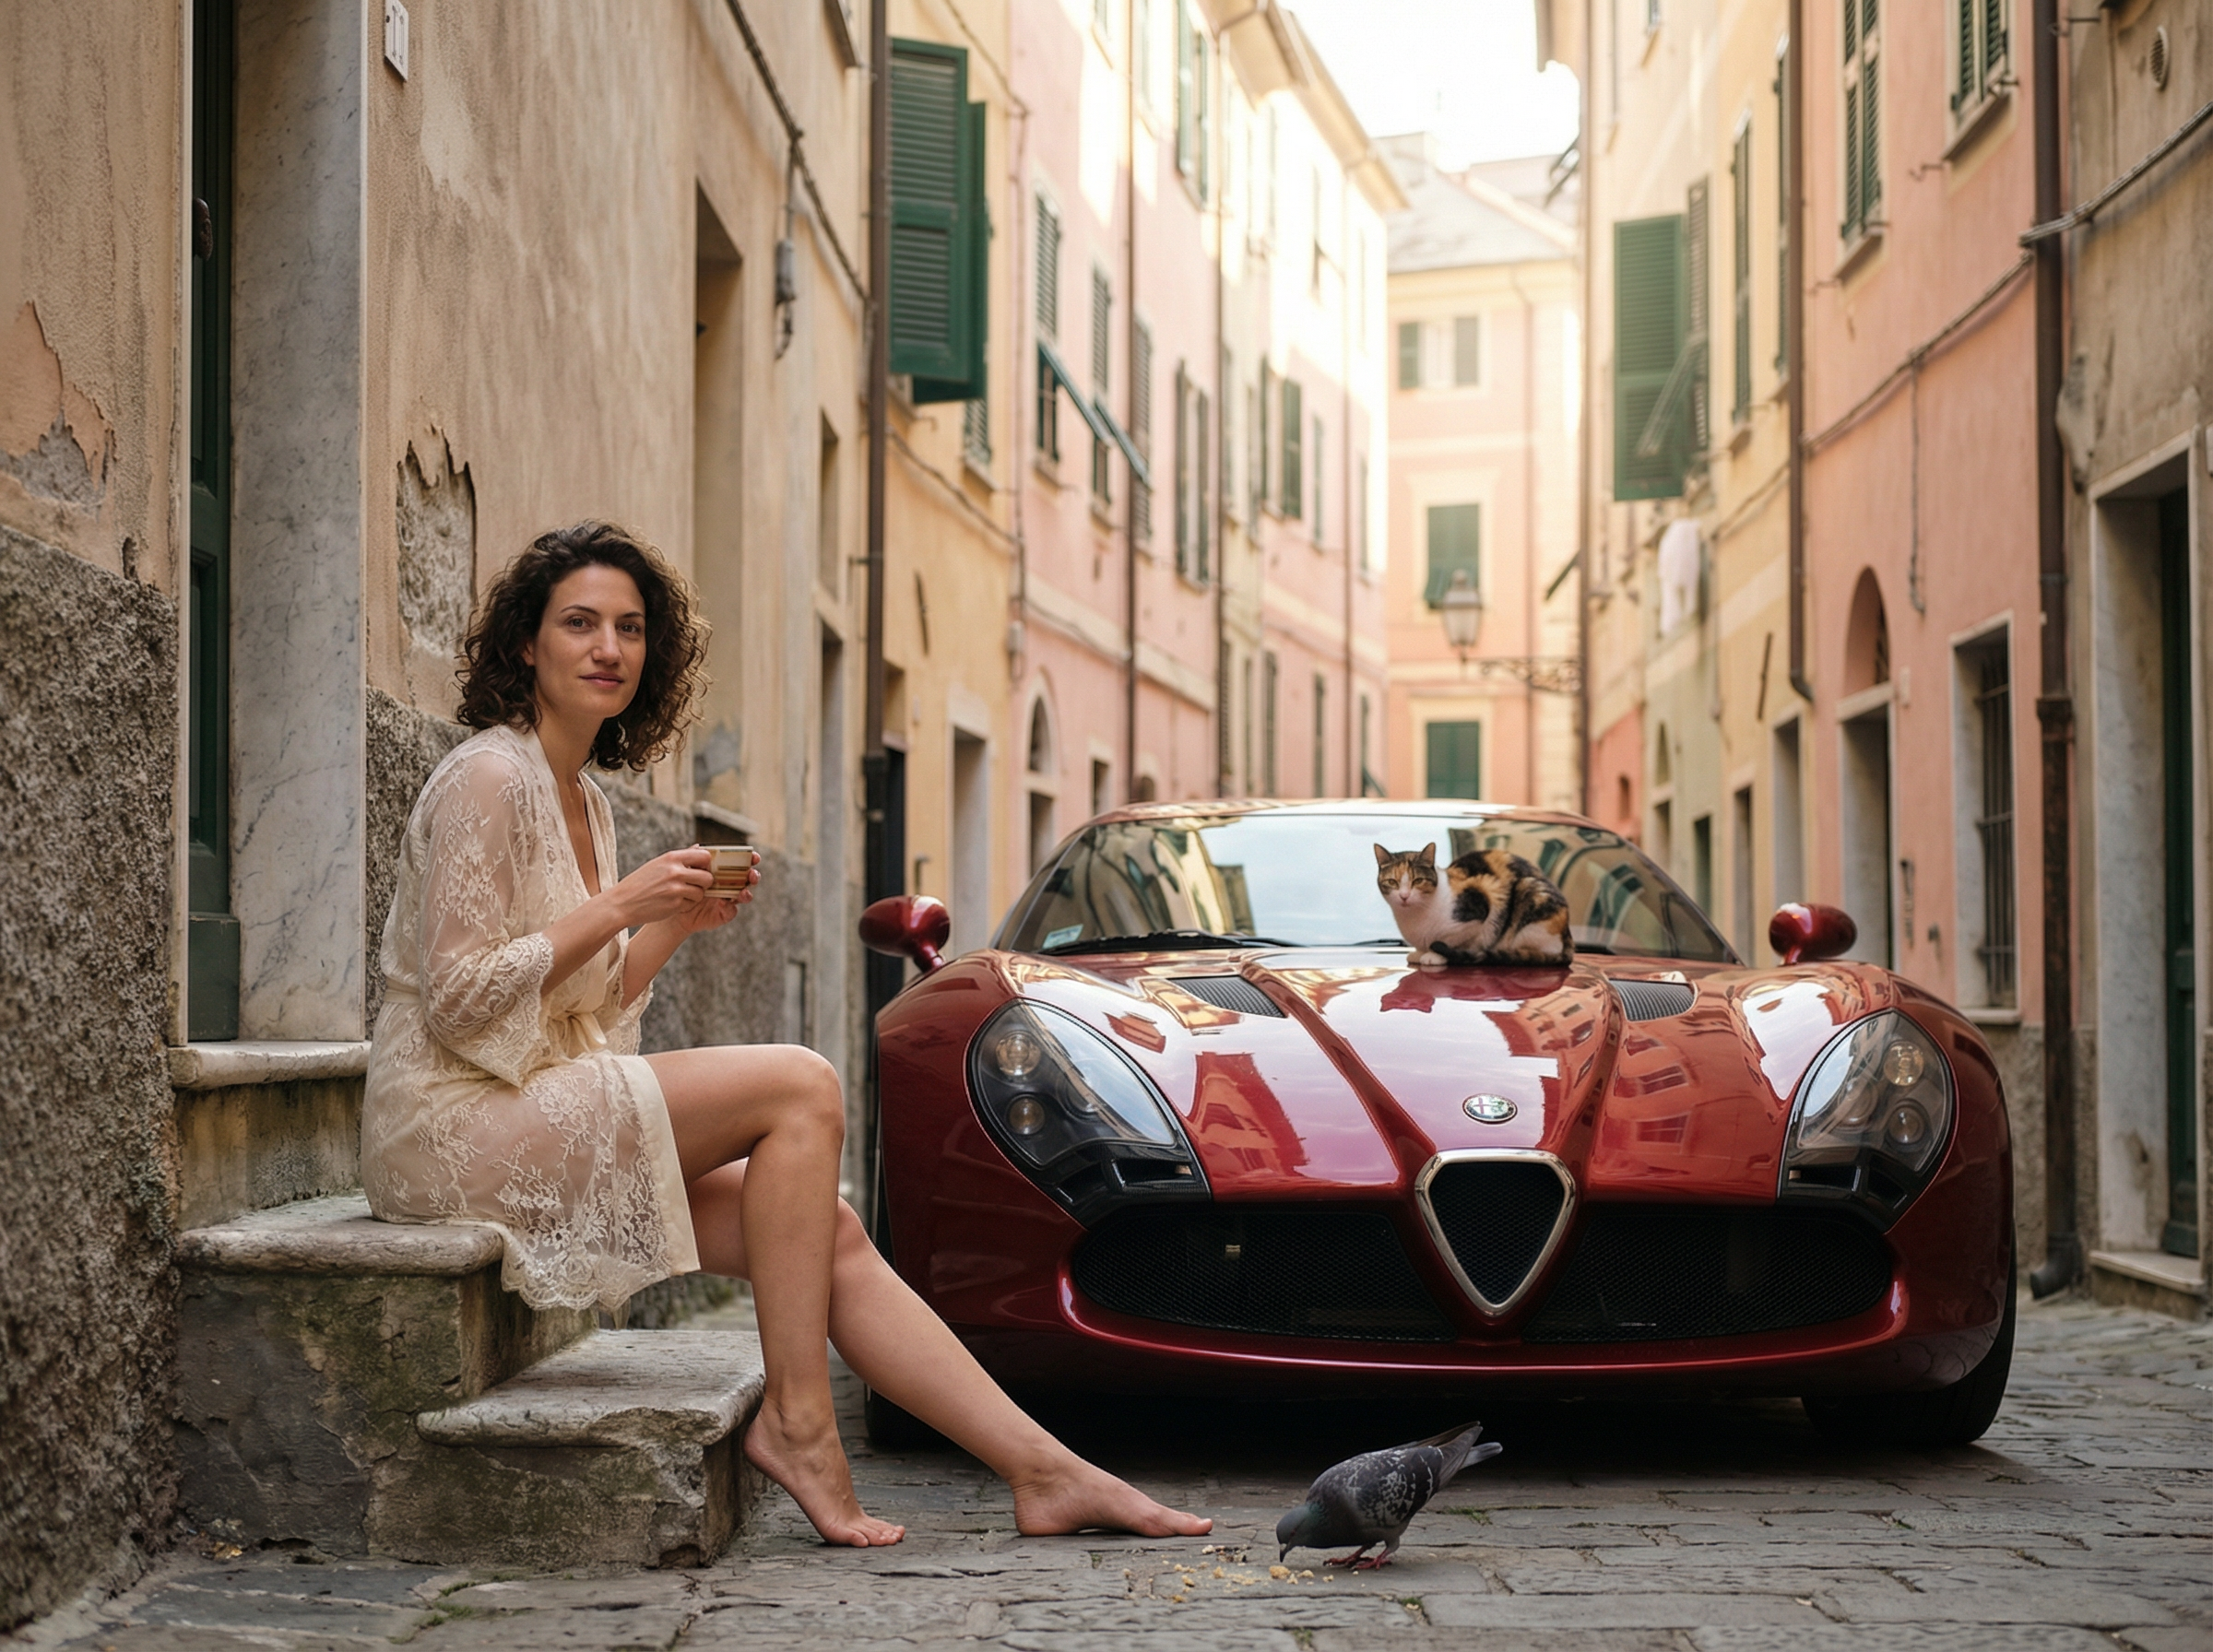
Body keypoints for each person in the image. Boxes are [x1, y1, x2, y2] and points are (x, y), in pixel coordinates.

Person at [363, 521, 1211, 1548]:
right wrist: (623, 902)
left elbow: (592, 1010)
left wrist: (669, 921)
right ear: (526, 645)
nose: (608, 648)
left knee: (830, 1234)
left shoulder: (586, 795)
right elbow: (456, 1002)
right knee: (803, 1083)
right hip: (449, 1126)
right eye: (578, 623)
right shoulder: (485, 779)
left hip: (537, 1097)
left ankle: (1047, 1470)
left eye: (630, 628)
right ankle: (802, 1424)